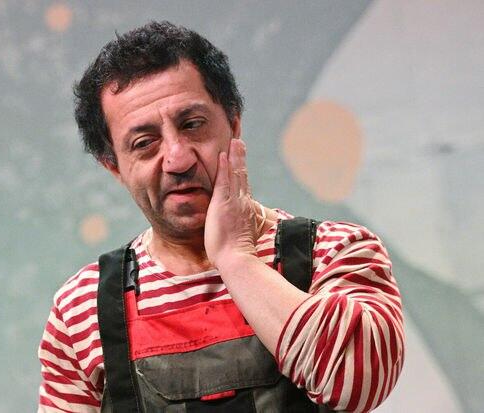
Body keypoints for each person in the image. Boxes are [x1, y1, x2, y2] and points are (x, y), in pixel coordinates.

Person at [38, 21, 404, 412]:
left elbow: (359, 384)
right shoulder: (81, 308)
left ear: (234, 125)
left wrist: (236, 259)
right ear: (114, 166)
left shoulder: (334, 253)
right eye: (144, 143)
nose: (177, 159)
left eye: (192, 125)